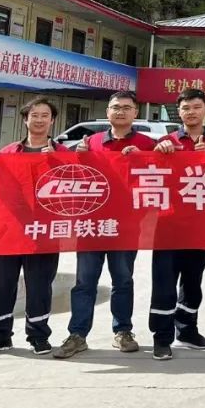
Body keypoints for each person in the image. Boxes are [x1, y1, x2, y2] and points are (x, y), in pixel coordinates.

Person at [53, 91, 157, 360]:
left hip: (126, 225)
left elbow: (161, 179)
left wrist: (146, 158)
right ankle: (77, 334)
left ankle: (123, 331)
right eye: (115, 107)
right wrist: (79, 158)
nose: (120, 112)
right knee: (84, 282)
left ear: (136, 113)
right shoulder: (90, 143)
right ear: (107, 112)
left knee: (122, 280)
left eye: (126, 107)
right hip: (92, 226)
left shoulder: (148, 144)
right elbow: (75, 178)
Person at [0, 97, 66, 357]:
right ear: (25, 120)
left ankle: (38, 335)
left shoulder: (61, 153)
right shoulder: (8, 153)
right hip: (9, 231)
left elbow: (73, 189)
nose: (39, 119)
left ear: (52, 120)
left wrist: (57, 161)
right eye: (34, 115)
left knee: (39, 284)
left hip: (44, 231)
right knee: (2, 283)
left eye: (44, 115)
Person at [148, 88, 205, 360]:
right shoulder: (166, 141)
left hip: (201, 225)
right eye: (186, 108)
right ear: (179, 112)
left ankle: (187, 330)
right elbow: (151, 176)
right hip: (168, 225)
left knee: (192, 282)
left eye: (196, 107)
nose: (191, 112)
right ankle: (162, 337)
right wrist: (160, 153)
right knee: (164, 282)